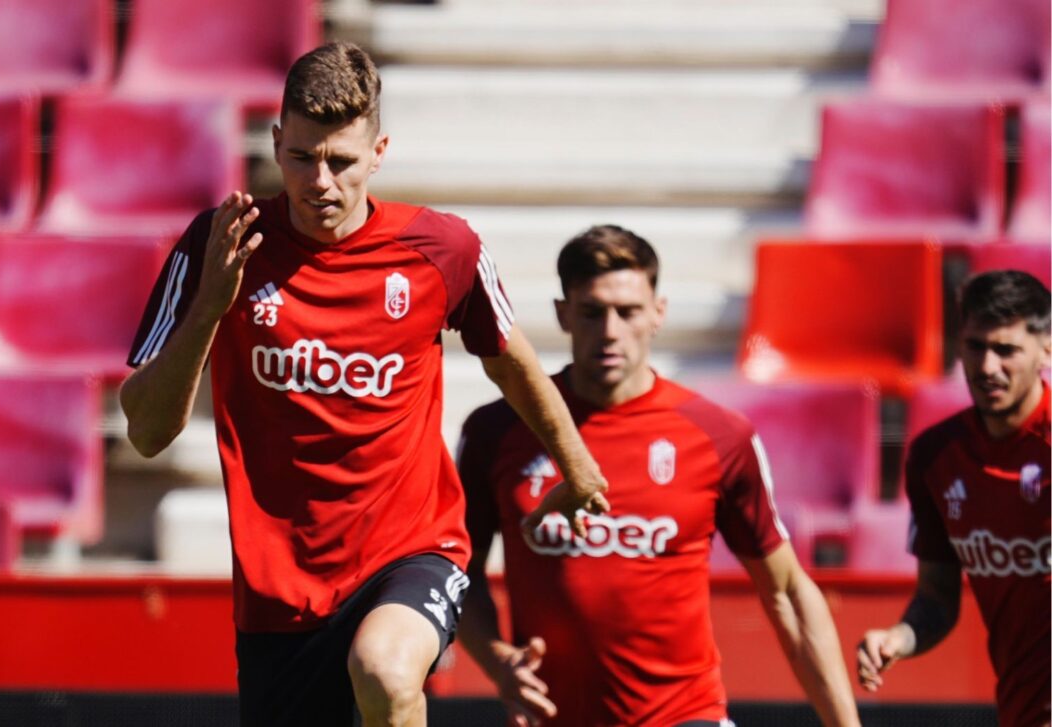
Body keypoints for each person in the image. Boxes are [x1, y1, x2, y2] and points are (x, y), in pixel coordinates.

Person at [119, 41, 607, 727]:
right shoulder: (219, 243)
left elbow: (508, 354)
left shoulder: (444, 249)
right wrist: (211, 305)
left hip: (410, 551)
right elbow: (145, 432)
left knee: (384, 667)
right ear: (276, 140)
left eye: (341, 161)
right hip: (278, 588)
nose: (320, 181)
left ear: (378, 152)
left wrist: (579, 464)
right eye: (302, 157)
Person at [456, 225, 860, 726]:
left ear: (658, 314)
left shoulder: (718, 435)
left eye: (627, 313)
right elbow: (459, 574)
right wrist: (497, 661)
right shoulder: (497, 431)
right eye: (591, 312)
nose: (609, 331)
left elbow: (787, 592)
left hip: (685, 716)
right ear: (563, 314)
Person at [858, 270, 1050, 727]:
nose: (987, 368)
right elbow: (938, 598)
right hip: (1020, 707)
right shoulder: (935, 459)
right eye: (975, 347)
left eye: (1006, 350)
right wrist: (898, 640)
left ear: (1046, 348)